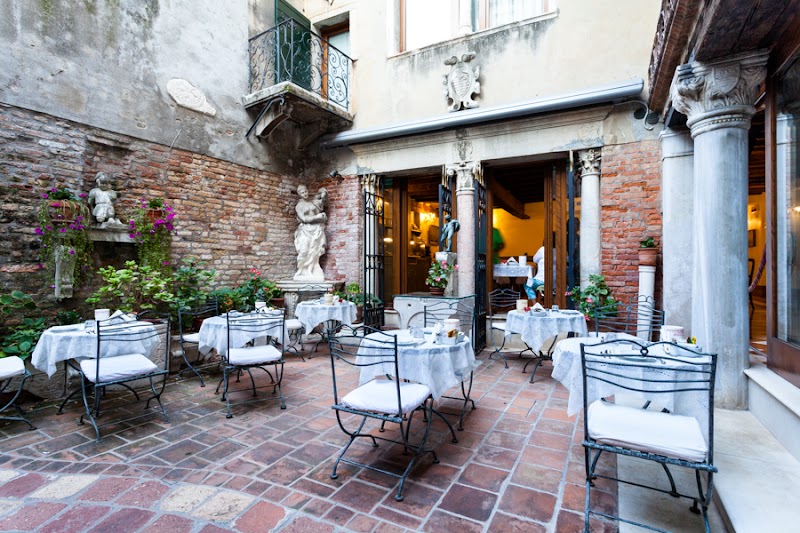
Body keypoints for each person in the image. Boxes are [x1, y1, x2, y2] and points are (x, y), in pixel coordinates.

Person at [293, 185, 328, 281]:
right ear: (299, 194)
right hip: (305, 230)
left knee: (315, 250)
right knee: (304, 250)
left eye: (305, 191)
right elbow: (304, 219)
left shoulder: (312, 202)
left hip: (316, 229)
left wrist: (323, 193)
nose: (305, 194)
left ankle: (311, 269)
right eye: (302, 193)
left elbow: (321, 201)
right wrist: (317, 217)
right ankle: (301, 270)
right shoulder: (299, 206)